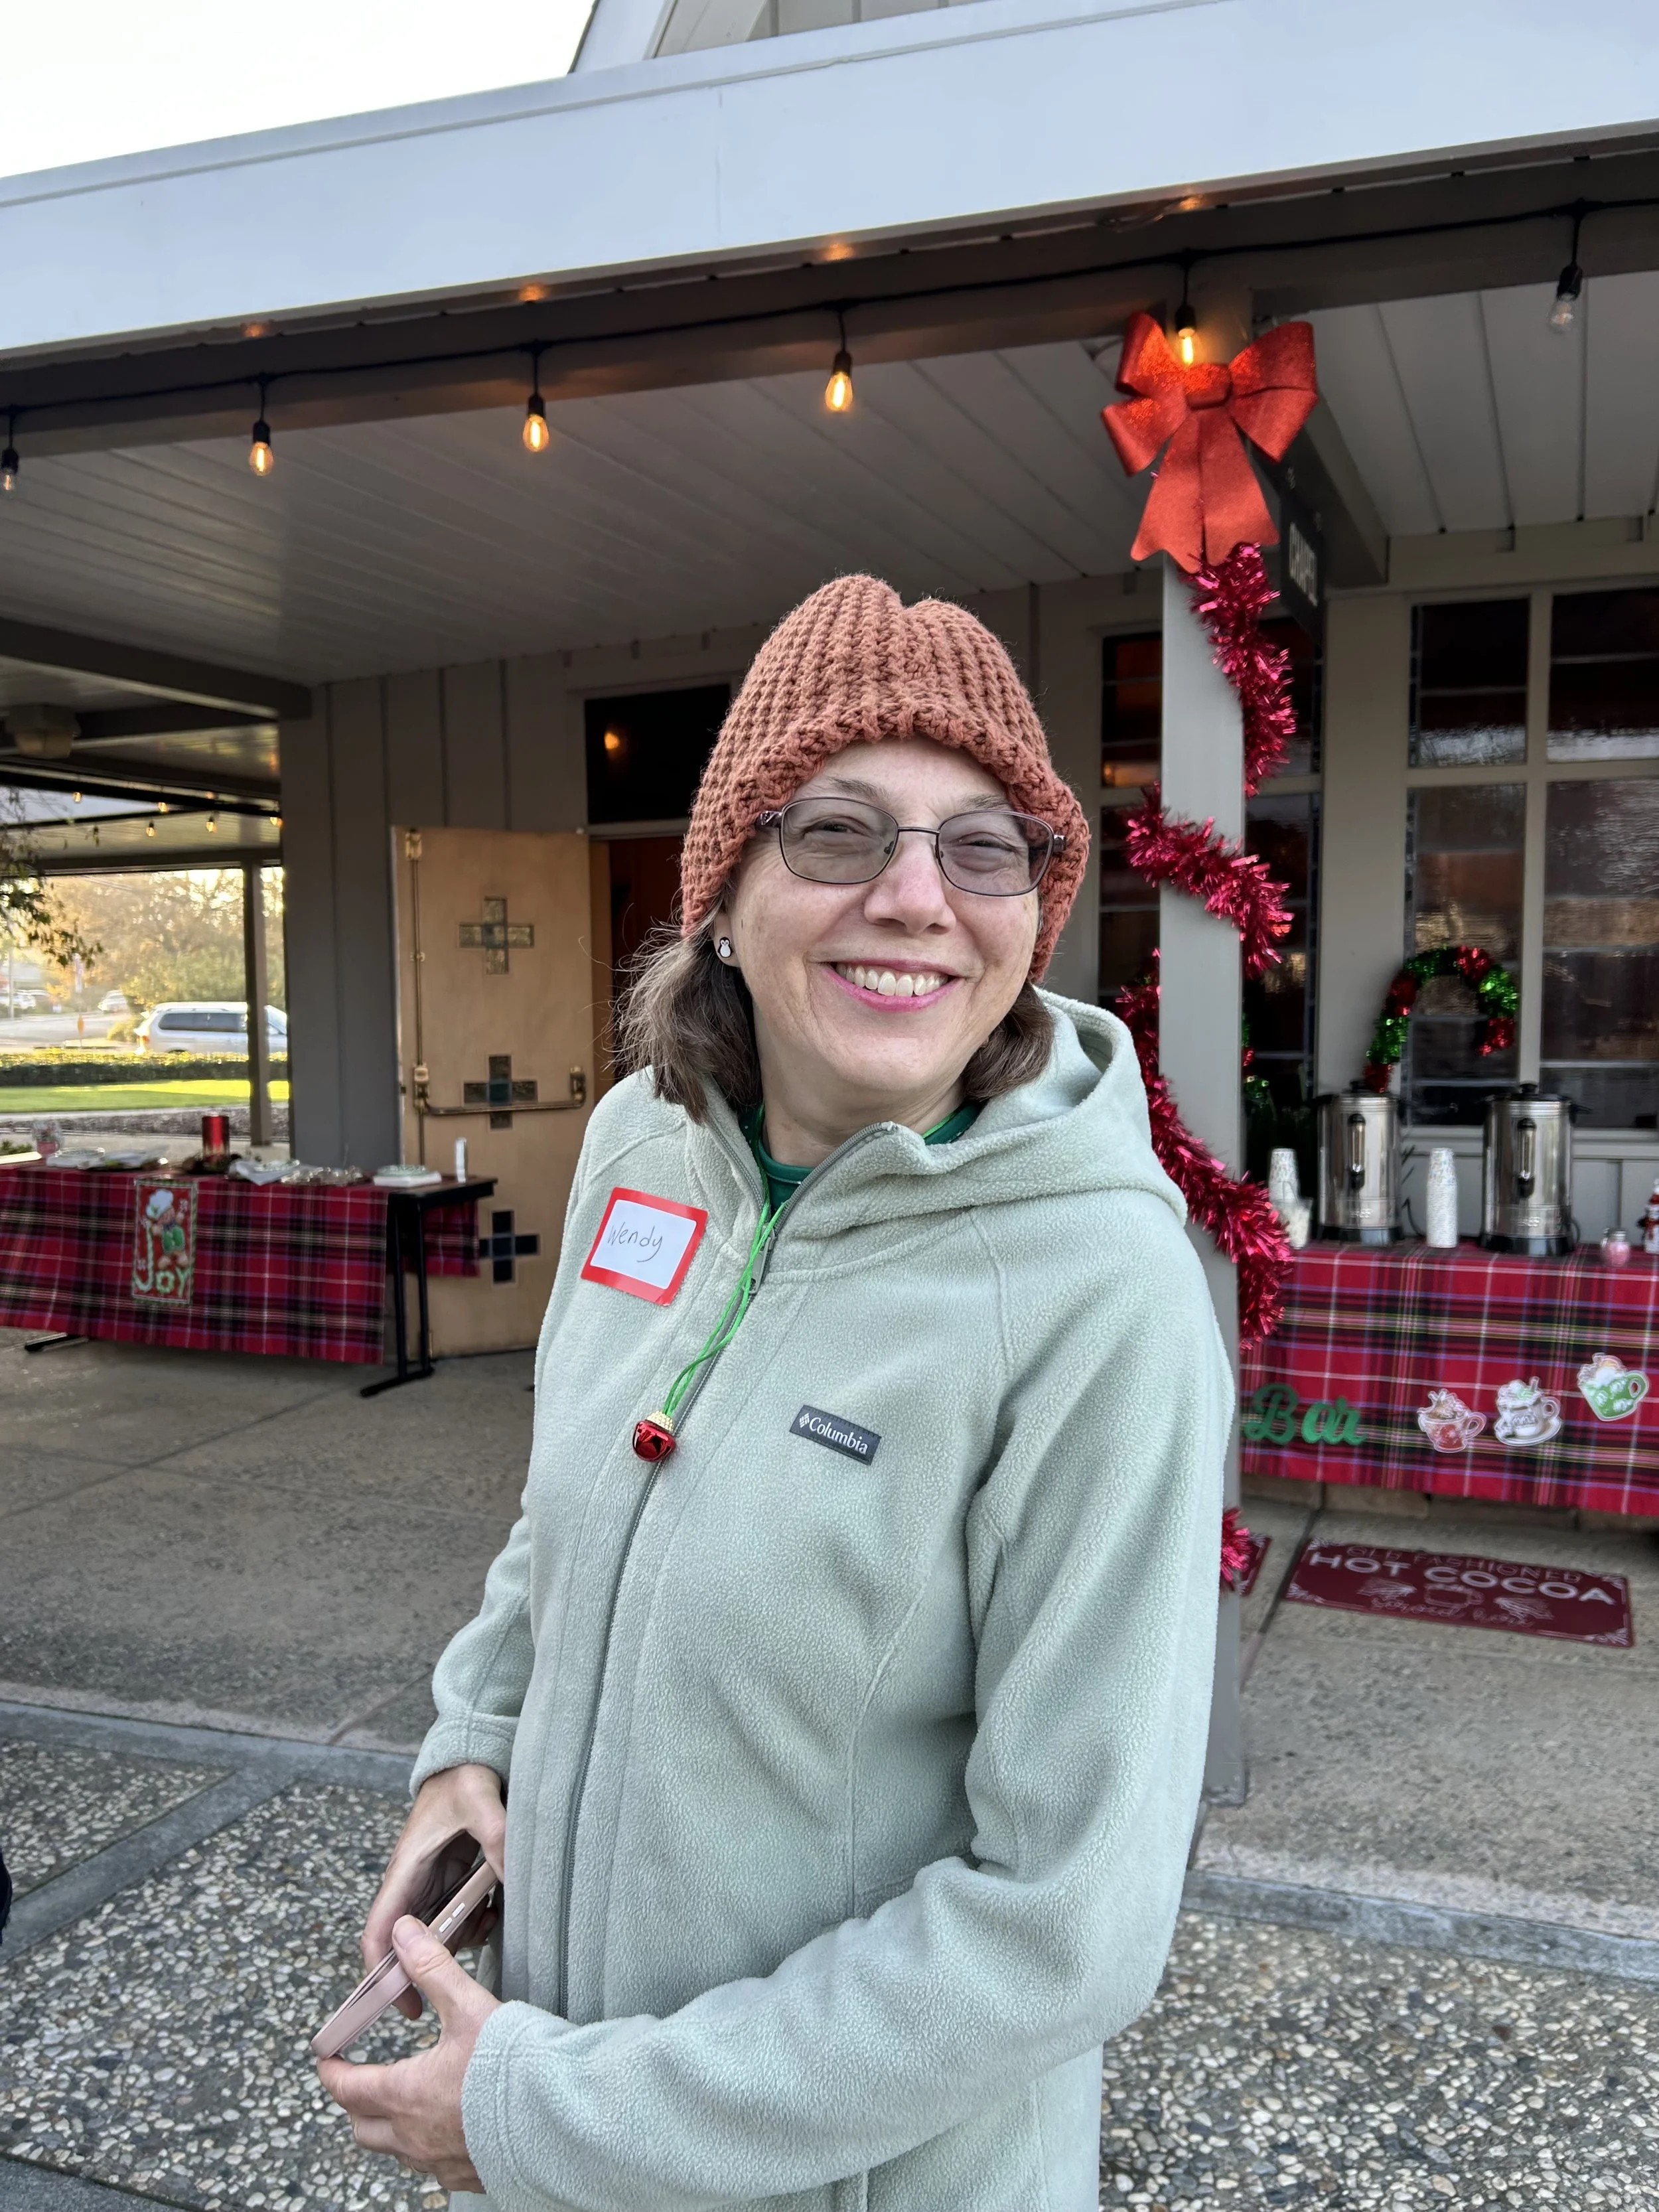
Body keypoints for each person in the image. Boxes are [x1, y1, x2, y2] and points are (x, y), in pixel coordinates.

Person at [321, 573, 1231, 2211]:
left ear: (1033, 909)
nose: (914, 896)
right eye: (836, 832)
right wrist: (470, 1742)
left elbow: (1063, 1924)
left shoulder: (1100, 1296)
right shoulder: (633, 1148)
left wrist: (556, 2118)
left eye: (982, 845)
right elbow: (573, 1504)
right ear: (723, 887)